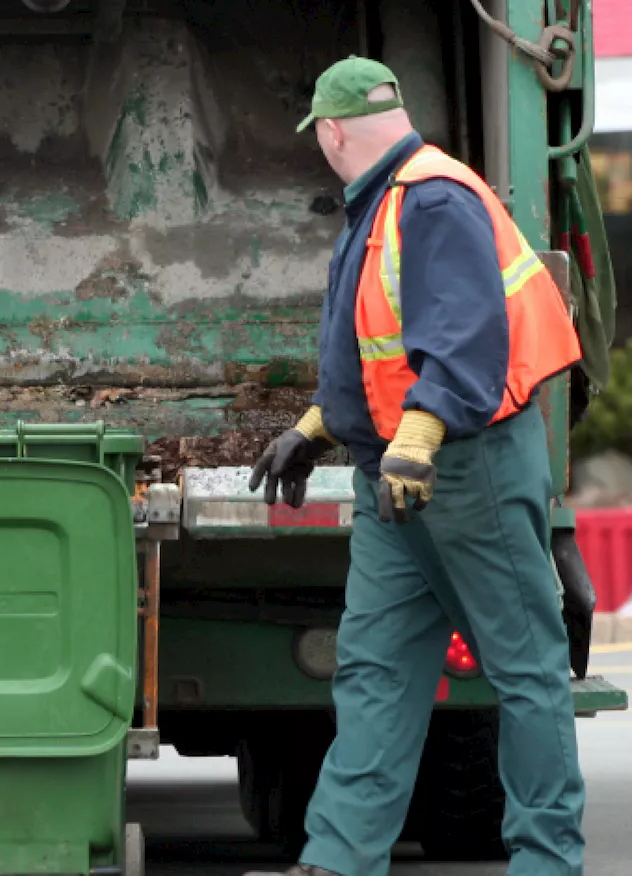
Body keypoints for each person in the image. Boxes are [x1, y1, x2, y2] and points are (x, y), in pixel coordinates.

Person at [245, 57, 586, 876]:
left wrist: (420, 441)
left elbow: (464, 342)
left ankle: (546, 860)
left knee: (525, 672)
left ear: (331, 132)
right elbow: (380, 351)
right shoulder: (385, 206)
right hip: (399, 477)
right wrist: (315, 428)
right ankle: (336, 857)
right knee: (375, 673)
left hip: (466, 471)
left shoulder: (433, 200)